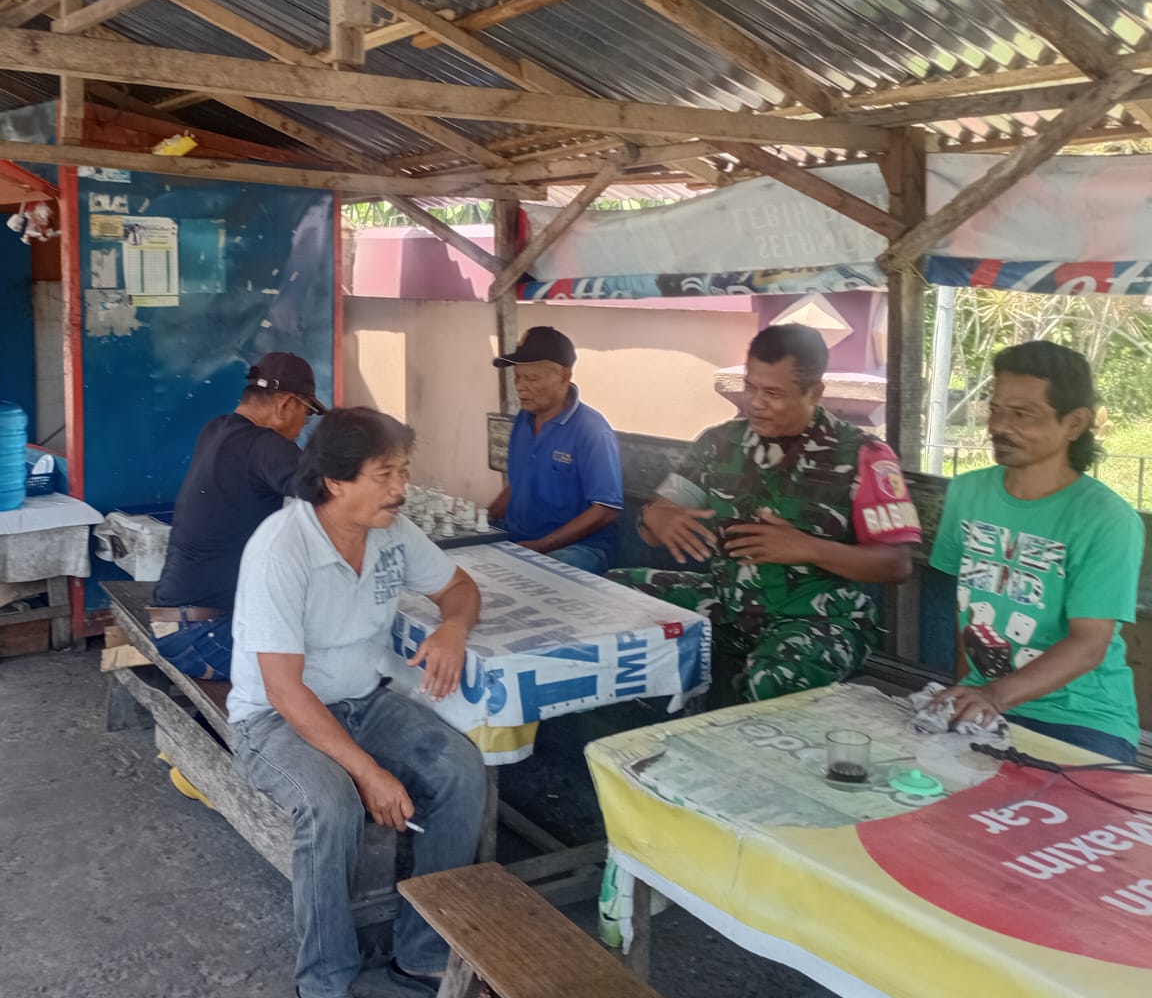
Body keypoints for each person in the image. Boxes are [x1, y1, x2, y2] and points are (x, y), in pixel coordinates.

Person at [229, 407, 487, 998]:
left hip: (362, 700)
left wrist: (453, 629)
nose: (401, 489)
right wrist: (367, 772)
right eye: (385, 474)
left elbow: (459, 586)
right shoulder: (281, 548)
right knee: (331, 803)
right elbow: (283, 688)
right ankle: (323, 982)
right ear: (335, 481)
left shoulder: (391, 532)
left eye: (404, 471)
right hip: (273, 720)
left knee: (461, 771)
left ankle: (422, 956)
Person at [616, 324, 920, 702]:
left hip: (818, 620)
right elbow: (656, 520)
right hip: (725, 602)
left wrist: (809, 548)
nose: (756, 403)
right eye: (751, 387)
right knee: (611, 595)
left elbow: (897, 565)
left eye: (773, 393)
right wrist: (654, 518)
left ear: (815, 392)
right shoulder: (720, 443)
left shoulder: (863, 456)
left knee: (775, 679)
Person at [929, 342, 1142, 762]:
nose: (998, 426)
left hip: (1081, 718)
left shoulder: (1106, 519)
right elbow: (964, 610)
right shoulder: (967, 492)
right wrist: (968, 689)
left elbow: (1089, 644)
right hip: (985, 703)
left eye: (1022, 415)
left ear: (1074, 424)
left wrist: (993, 695)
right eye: (995, 410)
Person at [151, 352, 325, 683]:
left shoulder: (215, 429)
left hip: (173, 624)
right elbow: (331, 494)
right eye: (308, 412)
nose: (305, 423)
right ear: (286, 404)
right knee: (334, 664)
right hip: (205, 635)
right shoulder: (266, 445)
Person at [487, 326, 624, 574]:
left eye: (532, 379)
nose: (520, 387)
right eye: (518, 377)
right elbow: (520, 482)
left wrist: (541, 546)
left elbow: (605, 509)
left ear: (564, 376)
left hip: (577, 548)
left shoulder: (591, 430)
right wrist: (483, 518)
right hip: (520, 538)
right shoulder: (524, 419)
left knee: (538, 578)